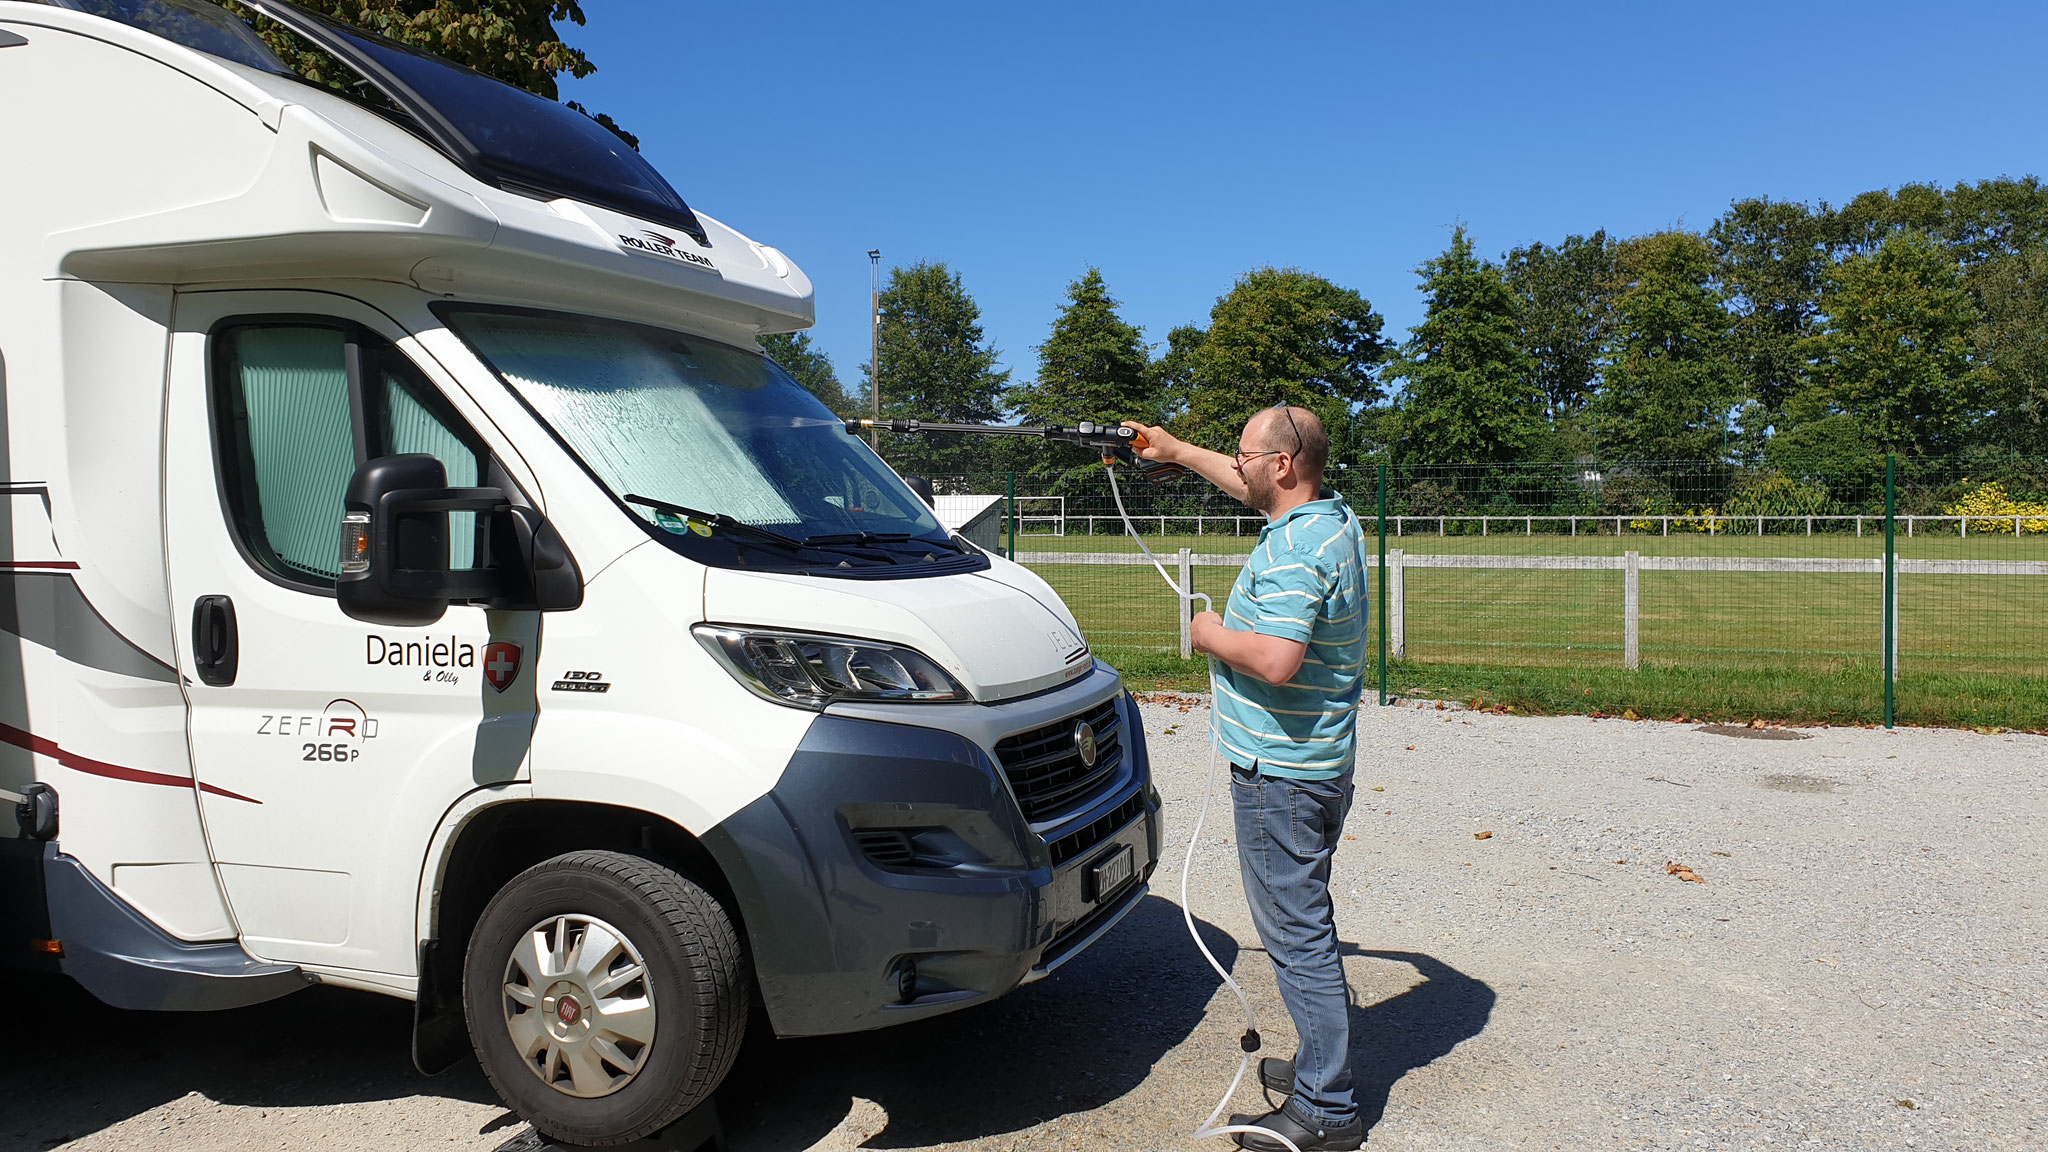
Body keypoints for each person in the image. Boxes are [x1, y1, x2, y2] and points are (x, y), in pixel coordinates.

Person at [1124, 406, 1366, 1152]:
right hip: (1316, 765)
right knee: (1306, 924)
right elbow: (1243, 478)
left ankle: (1327, 1109)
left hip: (1281, 777)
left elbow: (1276, 659)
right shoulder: (1332, 519)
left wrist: (1206, 635)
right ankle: (1326, 1066)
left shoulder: (1297, 549)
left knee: (1297, 938)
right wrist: (1175, 448)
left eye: (1249, 457)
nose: (1241, 466)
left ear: (1284, 466)